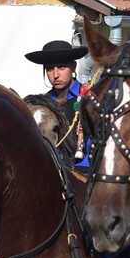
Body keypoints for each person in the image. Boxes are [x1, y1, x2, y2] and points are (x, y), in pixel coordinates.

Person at [24, 39, 91, 171]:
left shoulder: (90, 97)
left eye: (61, 67)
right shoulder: (42, 105)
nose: (55, 75)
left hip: (85, 172)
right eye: (50, 68)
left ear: (73, 66)